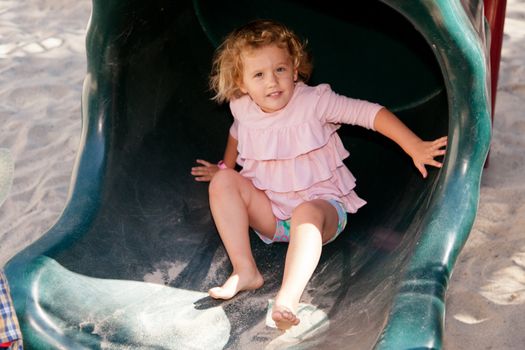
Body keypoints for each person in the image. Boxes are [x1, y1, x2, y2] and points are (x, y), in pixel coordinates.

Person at [191, 19, 447, 331]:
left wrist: (414, 146)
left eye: (280, 70)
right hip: (271, 213)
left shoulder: (315, 103)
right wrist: (225, 169)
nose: (272, 82)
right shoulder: (242, 107)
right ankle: (245, 270)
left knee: (307, 213)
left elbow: (370, 113)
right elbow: (236, 135)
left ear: (295, 69)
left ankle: (288, 297)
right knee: (222, 183)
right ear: (241, 83)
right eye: (259, 75)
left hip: (322, 212)